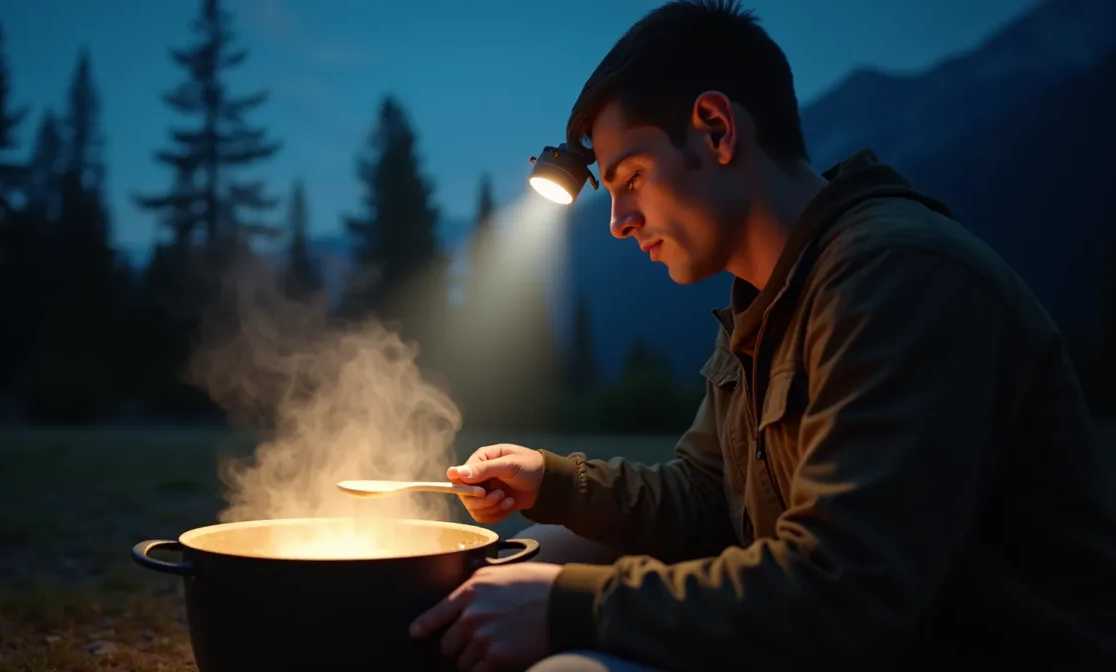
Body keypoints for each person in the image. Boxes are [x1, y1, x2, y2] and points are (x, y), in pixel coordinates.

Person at [408, 1, 1116, 670]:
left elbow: (844, 590)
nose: (619, 220)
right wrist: (553, 481)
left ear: (716, 129)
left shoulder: (897, 278)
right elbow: (703, 500)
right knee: (542, 550)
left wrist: (569, 608)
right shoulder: (772, 297)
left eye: (631, 177)